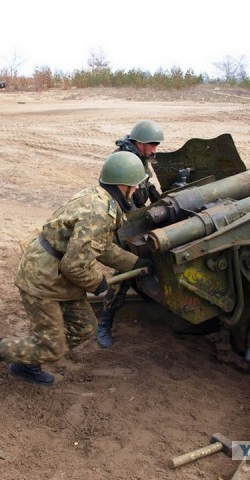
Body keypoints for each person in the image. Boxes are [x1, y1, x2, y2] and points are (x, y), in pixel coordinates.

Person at [0, 151, 154, 391]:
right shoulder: (100, 213)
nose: (135, 193)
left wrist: (135, 263)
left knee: (84, 326)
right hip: (43, 280)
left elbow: (100, 247)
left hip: (54, 276)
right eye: (133, 188)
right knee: (52, 347)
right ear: (122, 185)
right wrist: (98, 283)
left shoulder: (99, 197)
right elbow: (74, 266)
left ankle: (26, 364)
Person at [97, 120, 165, 348]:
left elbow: (145, 186)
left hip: (136, 215)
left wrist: (158, 198)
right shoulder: (125, 159)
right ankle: (105, 321)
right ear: (140, 142)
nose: (155, 149)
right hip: (123, 219)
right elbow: (125, 198)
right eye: (152, 144)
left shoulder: (141, 158)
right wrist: (138, 220)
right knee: (124, 270)